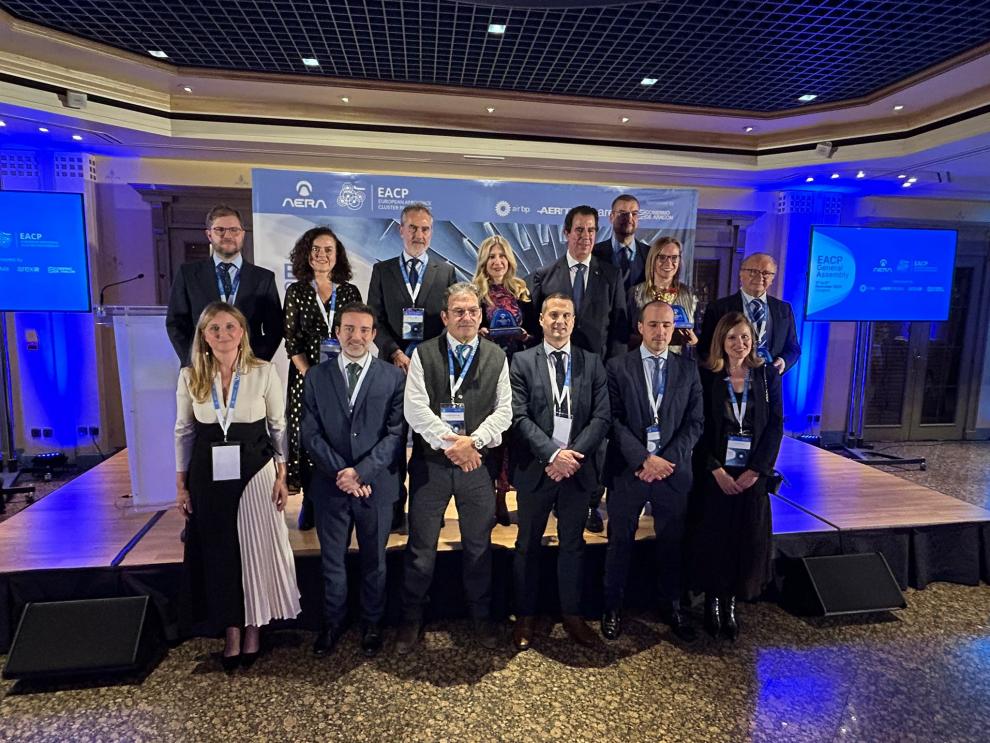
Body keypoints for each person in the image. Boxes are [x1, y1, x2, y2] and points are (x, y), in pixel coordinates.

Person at [174, 302, 300, 671]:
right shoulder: (189, 375)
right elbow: (183, 431)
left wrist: (282, 477)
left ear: (243, 332)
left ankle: (253, 628)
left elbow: (278, 427)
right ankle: (229, 628)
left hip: (256, 472)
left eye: (230, 327)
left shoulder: (263, 372)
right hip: (208, 477)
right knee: (219, 555)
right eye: (214, 328)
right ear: (203, 335)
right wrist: (181, 485)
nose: (223, 334)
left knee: (254, 553)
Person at [397, 282, 512, 653]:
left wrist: (472, 443)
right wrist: (455, 444)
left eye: (473, 311)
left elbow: (504, 411)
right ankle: (412, 618)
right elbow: (414, 409)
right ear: (445, 316)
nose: (466, 317)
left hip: (477, 466)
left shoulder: (497, 356)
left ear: (481, 316)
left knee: (479, 547)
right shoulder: (423, 354)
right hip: (432, 465)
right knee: (421, 548)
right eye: (458, 311)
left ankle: (480, 618)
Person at [300, 302, 406, 658]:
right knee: (332, 562)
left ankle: (372, 624)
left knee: (375, 562)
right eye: (349, 329)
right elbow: (310, 433)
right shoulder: (316, 375)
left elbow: (395, 435)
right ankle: (333, 622)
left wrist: (361, 472)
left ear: (374, 335)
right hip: (331, 488)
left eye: (363, 330)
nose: (356, 336)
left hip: (375, 486)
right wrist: (342, 473)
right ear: (338, 332)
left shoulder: (393, 378)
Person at [509, 293, 610, 651]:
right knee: (526, 546)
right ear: (541, 320)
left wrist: (572, 457)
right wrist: (553, 455)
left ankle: (572, 616)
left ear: (574, 320)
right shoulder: (520, 362)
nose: (559, 321)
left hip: (577, 471)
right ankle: (525, 617)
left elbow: (601, 417)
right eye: (553, 314)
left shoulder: (593, 363)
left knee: (573, 545)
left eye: (566, 315)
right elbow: (518, 417)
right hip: (537, 469)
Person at [601, 301, 703, 642]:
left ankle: (672, 605)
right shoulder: (616, 367)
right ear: (641, 328)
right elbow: (612, 420)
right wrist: (644, 460)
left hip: (672, 473)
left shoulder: (688, 370)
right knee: (619, 542)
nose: (661, 332)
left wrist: (665, 461)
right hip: (629, 470)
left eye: (667, 326)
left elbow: (695, 423)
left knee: (671, 544)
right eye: (654, 325)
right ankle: (611, 607)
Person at [528, 205, 628, 534]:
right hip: (554, 370)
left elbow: (620, 328)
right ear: (566, 233)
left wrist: (611, 370)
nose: (585, 237)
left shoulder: (610, 275)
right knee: (556, 430)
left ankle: (589, 502)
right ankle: (555, 496)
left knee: (594, 440)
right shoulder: (544, 275)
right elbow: (533, 326)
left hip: (594, 372)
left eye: (590, 231)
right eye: (578, 230)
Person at [691, 312, 783, 641]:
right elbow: (698, 426)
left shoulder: (767, 376)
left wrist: (757, 469)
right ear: (721, 342)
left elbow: (775, 425)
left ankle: (731, 602)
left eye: (745, 337)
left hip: (751, 474)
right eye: (732, 338)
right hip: (716, 473)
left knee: (746, 538)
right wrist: (714, 467)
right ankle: (712, 601)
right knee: (716, 538)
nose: (739, 344)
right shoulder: (707, 376)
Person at [367, 203, 458, 531]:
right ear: (401, 230)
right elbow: (374, 317)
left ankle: (425, 510)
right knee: (392, 443)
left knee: (426, 443)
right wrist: (393, 353)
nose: (419, 235)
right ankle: (393, 507)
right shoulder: (384, 270)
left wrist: (426, 359)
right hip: (391, 371)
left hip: (430, 373)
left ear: (430, 232)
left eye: (425, 229)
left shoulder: (445, 271)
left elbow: (449, 321)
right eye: (413, 228)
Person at [282, 226, 362, 528]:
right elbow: (291, 340)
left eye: (328, 249)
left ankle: (341, 497)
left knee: (339, 436)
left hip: (343, 376)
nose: (322, 255)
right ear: (307, 253)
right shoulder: (297, 291)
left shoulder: (350, 291)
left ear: (337, 254)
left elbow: (358, 334)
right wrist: (311, 376)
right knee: (309, 436)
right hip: (307, 377)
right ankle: (310, 502)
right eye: (316, 249)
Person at [472, 234, 539, 525]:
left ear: (508, 260)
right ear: (484, 262)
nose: (497, 262)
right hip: (487, 372)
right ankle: (488, 497)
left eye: (501, 256)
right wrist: (479, 334)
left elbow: (537, 332)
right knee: (491, 435)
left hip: (518, 371)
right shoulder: (474, 293)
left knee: (514, 437)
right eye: (491, 256)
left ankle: (505, 494)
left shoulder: (523, 292)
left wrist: (526, 336)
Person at [166, 205, 283, 366]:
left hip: (248, 370)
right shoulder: (188, 274)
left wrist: (254, 362)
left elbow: (275, 328)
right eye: (220, 230)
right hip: (201, 370)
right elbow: (176, 323)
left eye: (234, 230)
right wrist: (195, 361)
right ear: (209, 234)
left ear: (242, 234)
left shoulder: (264, 278)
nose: (227, 235)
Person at [698, 252, 800, 374]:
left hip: (768, 381)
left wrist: (783, 361)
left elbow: (793, 348)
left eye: (766, 273)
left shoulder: (784, 309)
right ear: (741, 274)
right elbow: (705, 348)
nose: (759, 277)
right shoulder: (718, 308)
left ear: (773, 278)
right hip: (729, 378)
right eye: (753, 271)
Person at [627, 237, 699, 352]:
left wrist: (694, 341)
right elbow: (624, 334)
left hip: (678, 363)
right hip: (641, 361)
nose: (669, 262)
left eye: (674, 258)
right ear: (653, 259)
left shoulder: (689, 295)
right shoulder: (635, 293)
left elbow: (700, 337)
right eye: (662, 257)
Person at [592, 193, 648, 293]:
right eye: (623, 213)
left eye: (634, 214)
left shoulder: (650, 254)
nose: (629, 219)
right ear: (611, 217)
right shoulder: (593, 253)